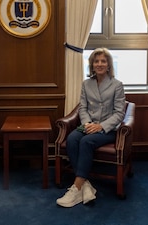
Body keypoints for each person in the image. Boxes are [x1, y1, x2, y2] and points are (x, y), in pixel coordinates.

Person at [56, 48, 126, 208]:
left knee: (86, 142)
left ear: (108, 65)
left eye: (103, 61)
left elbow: (119, 113)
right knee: (73, 138)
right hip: (88, 125)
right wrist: (87, 123)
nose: (99, 64)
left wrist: (100, 126)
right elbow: (83, 108)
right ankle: (85, 185)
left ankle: (76, 187)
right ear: (92, 65)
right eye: (96, 61)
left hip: (107, 129)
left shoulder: (117, 85)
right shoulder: (86, 84)